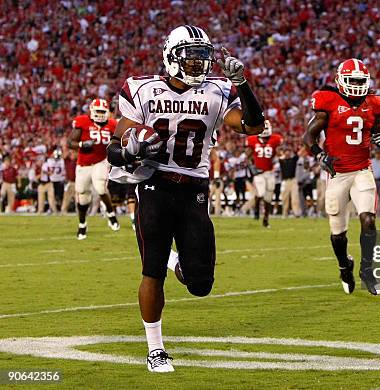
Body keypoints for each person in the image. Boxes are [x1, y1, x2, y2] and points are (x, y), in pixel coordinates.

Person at [106, 25, 265, 372]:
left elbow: (253, 126)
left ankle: (173, 261)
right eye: (191, 58)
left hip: (194, 189)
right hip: (154, 186)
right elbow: (116, 143)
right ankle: (155, 349)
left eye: (203, 58)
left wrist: (242, 83)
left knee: (201, 284)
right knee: (151, 273)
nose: (198, 65)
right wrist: (130, 148)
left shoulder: (218, 91)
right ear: (171, 57)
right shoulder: (143, 89)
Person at [303, 58, 380, 295]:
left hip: (362, 170)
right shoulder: (327, 102)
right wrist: (320, 155)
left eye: (361, 81)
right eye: (352, 81)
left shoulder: (375, 103)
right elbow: (308, 138)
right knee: (337, 233)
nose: (357, 86)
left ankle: (367, 270)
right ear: (340, 81)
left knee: (368, 219)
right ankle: (344, 267)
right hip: (337, 174)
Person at [68, 98, 120, 239]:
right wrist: (81, 145)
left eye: (103, 111)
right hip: (83, 164)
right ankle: (82, 223)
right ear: (91, 111)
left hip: (101, 161)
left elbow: (120, 141)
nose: (100, 114)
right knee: (82, 194)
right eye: (98, 111)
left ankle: (111, 214)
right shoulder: (82, 121)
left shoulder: (112, 124)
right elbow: (70, 142)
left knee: (100, 187)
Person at [245, 120, 282, 227]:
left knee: (268, 197)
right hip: (259, 173)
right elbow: (247, 155)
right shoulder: (252, 140)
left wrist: (279, 156)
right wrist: (252, 167)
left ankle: (266, 218)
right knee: (260, 193)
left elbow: (279, 153)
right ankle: (257, 210)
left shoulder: (275, 139)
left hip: (270, 172)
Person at [279, 146, 301, 217]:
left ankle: (296, 213)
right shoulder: (281, 161)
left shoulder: (293, 159)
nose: (287, 153)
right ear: (284, 153)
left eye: (289, 152)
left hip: (293, 180)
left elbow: (300, 153)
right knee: (285, 198)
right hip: (285, 181)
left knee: (295, 197)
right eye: (286, 152)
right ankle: (285, 213)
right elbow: (278, 153)